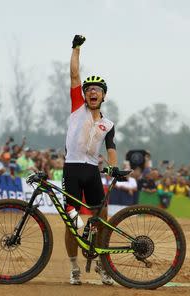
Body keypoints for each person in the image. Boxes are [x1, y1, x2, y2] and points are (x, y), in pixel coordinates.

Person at [64, 35, 118, 286]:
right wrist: (76, 49)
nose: (91, 91)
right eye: (88, 89)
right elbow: (75, 75)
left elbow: (111, 147)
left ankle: (102, 264)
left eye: (96, 89)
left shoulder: (108, 123)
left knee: (102, 217)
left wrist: (113, 165)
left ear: (104, 96)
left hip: (92, 171)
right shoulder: (78, 108)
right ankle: (74, 268)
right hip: (72, 168)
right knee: (71, 219)